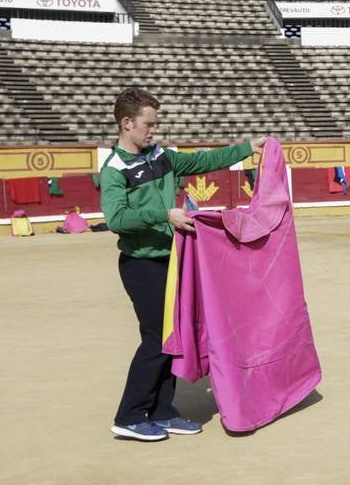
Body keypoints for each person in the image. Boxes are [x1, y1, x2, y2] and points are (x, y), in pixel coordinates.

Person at [101, 87, 265, 442]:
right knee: (156, 339)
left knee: (172, 337)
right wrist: (165, 215)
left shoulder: (161, 155)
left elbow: (202, 162)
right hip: (141, 264)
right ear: (126, 123)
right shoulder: (115, 168)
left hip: (171, 260)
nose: (153, 131)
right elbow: (115, 218)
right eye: (148, 125)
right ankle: (129, 415)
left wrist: (246, 148)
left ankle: (161, 410)